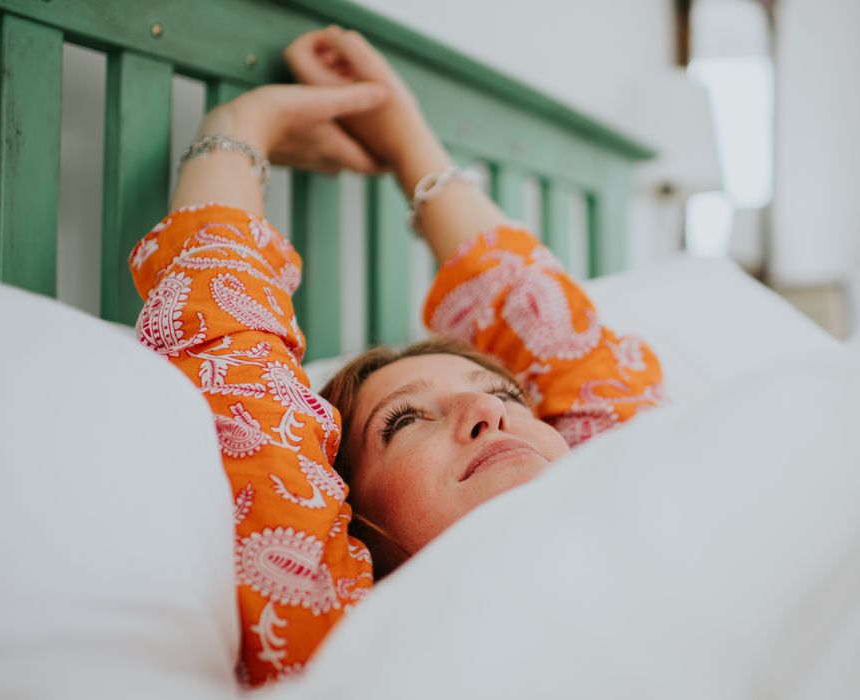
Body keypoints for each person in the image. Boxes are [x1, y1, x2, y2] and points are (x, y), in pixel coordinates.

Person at [129, 26, 664, 687]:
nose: (481, 409)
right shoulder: (337, 630)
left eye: (505, 396)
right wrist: (241, 125)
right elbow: (233, 366)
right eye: (404, 420)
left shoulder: (648, 493)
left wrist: (407, 139)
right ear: (353, 524)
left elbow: (563, 340)